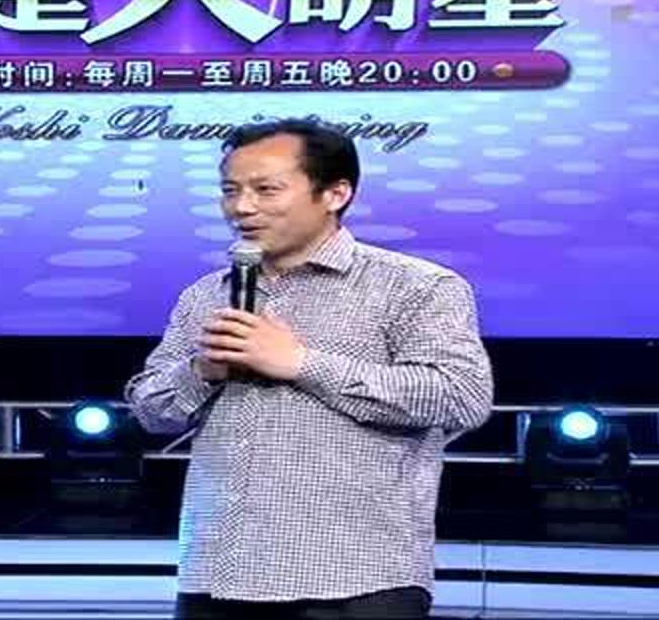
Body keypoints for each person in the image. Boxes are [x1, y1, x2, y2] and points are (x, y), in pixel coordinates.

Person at [126, 118, 493, 619]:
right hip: (216, 575)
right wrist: (203, 370)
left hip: (354, 581)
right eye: (230, 190)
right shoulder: (206, 295)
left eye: (266, 189)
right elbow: (150, 411)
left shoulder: (415, 286)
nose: (242, 207)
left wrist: (301, 363)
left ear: (336, 193)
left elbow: (460, 397)